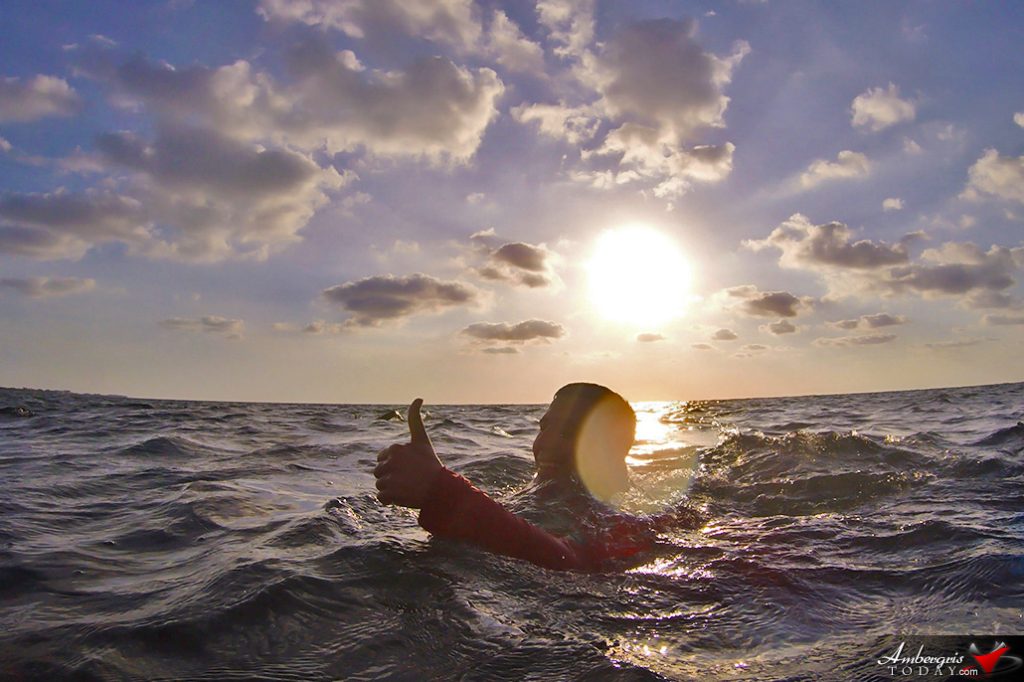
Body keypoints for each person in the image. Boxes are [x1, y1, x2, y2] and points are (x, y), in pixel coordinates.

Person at [373, 383, 659, 571]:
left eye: (569, 432)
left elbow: (570, 559)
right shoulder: (535, 493)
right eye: (544, 427)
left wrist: (442, 491)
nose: (546, 443)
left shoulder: (622, 513)